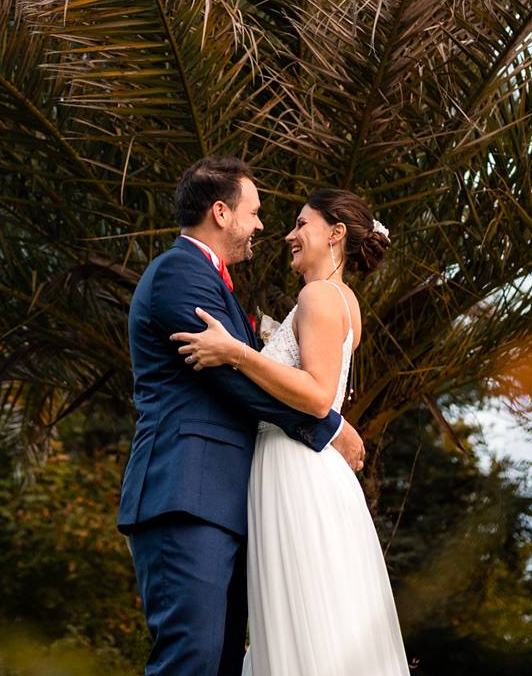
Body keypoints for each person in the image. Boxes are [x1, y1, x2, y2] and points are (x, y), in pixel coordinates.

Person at [118, 157, 366, 675]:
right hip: (185, 494)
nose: (262, 226)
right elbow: (228, 379)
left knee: (224, 662)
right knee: (193, 659)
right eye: (253, 213)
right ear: (221, 213)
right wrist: (327, 427)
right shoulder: (178, 273)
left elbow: (246, 367)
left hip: (226, 502)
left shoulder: (218, 283)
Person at [174, 186, 410, 675]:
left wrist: (238, 353)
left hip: (296, 470)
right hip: (298, 464)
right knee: (311, 617)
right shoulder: (340, 300)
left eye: (302, 224)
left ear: (336, 233)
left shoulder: (320, 295)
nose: (289, 235)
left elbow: (318, 394)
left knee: (303, 617)